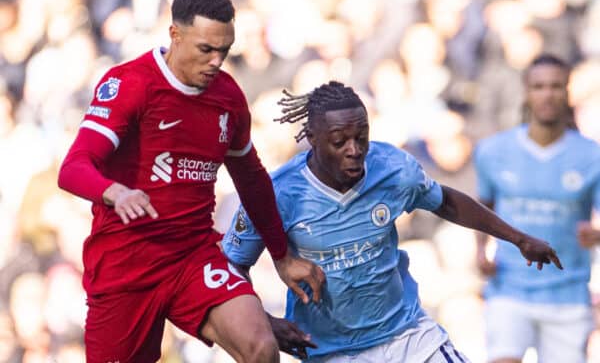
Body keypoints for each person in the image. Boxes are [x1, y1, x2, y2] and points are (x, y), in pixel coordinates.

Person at [57, 0, 325, 363]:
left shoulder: (228, 98)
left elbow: (251, 179)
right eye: (206, 49)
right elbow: (73, 168)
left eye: (224, 50)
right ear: (175, 35)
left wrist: (281, 257)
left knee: (261, 346)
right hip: (126, 264)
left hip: (192, 254)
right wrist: (116, 193)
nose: (217, 60)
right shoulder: (132, 84)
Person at [221, 81, 563, 362]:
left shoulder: (394, 168)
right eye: (340, 141)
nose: (354, 149)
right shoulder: (276, 194)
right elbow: (231, 269)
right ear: (312, 137)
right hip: (331, 352)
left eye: (362, 137)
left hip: (409, 336)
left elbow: (446, 202)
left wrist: (518, 239)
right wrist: (265, 323)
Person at [474, 54, 600, 363]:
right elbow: (482, 207)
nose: (548, 94)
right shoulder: (493, 151)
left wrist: (595, 235)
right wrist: (479, 252)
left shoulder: (591, 155)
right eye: (539, 86)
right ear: (526, 92)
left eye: (556, 86)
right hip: (509, 287)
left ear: (568, 92)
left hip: (567, 293)